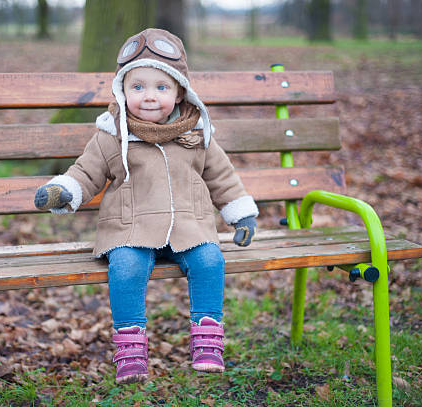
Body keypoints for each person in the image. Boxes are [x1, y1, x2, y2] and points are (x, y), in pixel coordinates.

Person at [34, 28, 258, 384]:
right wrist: (64, 190)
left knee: (210, 261)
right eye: (137, 87)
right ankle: (131, 348)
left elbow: (222, 176)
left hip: (190, 226)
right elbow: (86, 171)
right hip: (131, 229)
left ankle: (207, 339)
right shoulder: (112, 135)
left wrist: (240, 213)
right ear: (122, 90)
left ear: (180, 90)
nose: (149, 97)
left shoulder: (197, 133)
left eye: (161, 87)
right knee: (125, 268)